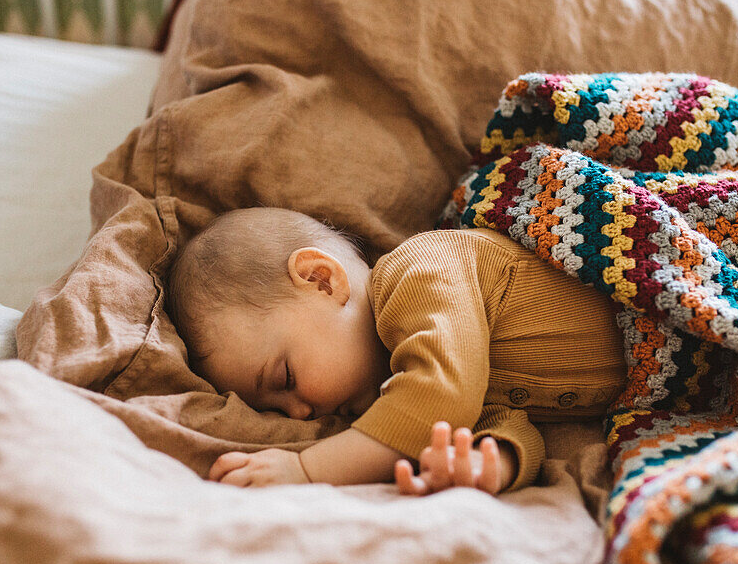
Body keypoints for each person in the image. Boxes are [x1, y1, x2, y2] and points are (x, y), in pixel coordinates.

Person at [166, 207, 626, 495]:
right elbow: (502, 425)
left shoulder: (419, 272)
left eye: (284, 379)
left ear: (321, 280)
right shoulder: (402, 378)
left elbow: (443, 397)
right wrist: (489, 463)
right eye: (276, 409)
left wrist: (307, 469)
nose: (300, 414)